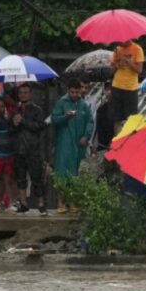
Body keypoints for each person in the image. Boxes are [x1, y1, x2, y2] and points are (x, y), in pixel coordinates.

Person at [52, 78, 94, 213]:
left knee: (75, 174)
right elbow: (54, 119)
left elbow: (90, 121)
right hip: (65, 144)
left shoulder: (83, 105)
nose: (75, 95)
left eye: (77, 92)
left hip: (79, 144)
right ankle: (60, 202)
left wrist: (86, 136)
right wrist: (65, 117)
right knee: (62, 172)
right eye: (72, 92)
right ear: (68, 91)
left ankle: (72, 201)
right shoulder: (62, 102)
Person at [12, 83, 47, 215]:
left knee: (36, 178)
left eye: (26, 92)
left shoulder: (37, 110)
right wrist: (13, 123)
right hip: (19, 148)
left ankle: (41, 204)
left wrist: (23, 121)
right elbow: (12, 129)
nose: (23, 95)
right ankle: (23, 203)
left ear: (30, 94)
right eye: (21, 93)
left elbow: (39, 126)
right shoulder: (16, 110)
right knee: (20, 178)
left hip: (33, 149)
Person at [109, 39, 144, 134]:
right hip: (117, 86)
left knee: (131, 118)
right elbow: (111, 70)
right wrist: (118, 65)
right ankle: (117, 141)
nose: (120, 42)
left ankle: (129, 142)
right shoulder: (117, 49)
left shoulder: (137, 49)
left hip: (130, 88)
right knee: (117, 118)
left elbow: (139, 70)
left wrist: (128, 62)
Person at [93, 83, 116, 151]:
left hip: (115, 144)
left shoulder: (120, 108)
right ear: (105, 91)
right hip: (102, 144)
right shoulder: (101, 108)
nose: (110, 92)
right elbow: (97, 127)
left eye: (111, 89)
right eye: (107, 89)